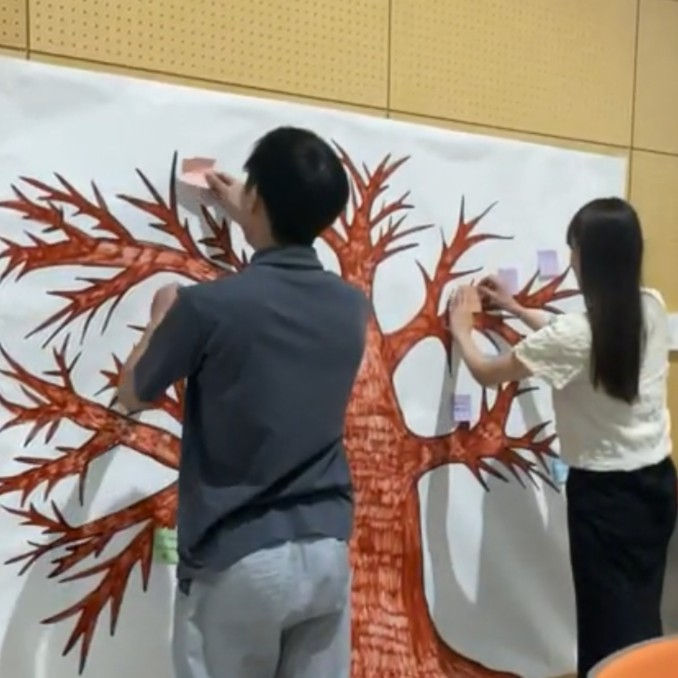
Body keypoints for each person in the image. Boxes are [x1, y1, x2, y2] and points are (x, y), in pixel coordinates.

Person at [117, 127, 369, 678]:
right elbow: (279, 286)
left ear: (256, 197)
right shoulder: (353, 307)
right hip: (325, 550)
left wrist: (161, 315)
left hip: (239, 556)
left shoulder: (204, 308)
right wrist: (259, 215)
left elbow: (132, 392)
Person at [448, 197, 677, 677]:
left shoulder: (579, 334)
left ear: (589, 258)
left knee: (607, 623)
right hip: (656, 484)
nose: (570, 258)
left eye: (574, 249)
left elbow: (488, 371)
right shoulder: (650, 306)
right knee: (638, 613)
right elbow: (572, 340)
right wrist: (515, 308)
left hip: (607, 497)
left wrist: (462, 330)